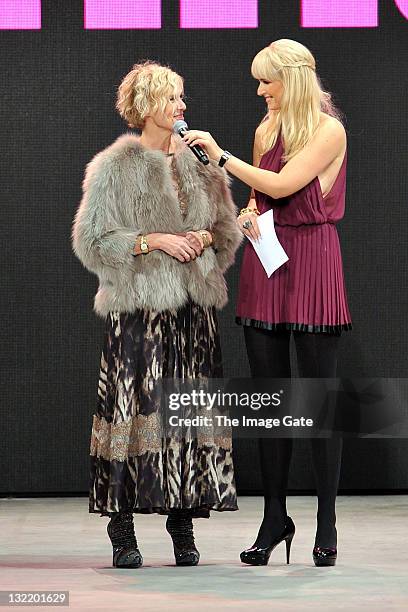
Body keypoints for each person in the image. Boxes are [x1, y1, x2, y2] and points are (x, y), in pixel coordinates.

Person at [182, 39, 352, 567]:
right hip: (268, 262)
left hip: (314, 263)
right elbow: (265, 194)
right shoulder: (265, 128)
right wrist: (250, 213)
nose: (260, 90)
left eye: (266, 81)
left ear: (292, 79)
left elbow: (285, 181)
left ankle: (326, 521)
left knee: (319, 401)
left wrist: (222, 157)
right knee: (270, 401)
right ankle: (275, 518)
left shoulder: (329, 130)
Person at [72, 61, 241, 568]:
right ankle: (122, 527)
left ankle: (182, 523)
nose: (181, 107)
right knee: (131, 416)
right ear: (146, 106)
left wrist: (204, 237)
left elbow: (228, 233)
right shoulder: (113, 167)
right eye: (172, 98)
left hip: (193, 314)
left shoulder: (202, 163)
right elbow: (92, 241)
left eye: (182, 98)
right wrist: (153, 240)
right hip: (139, 312)